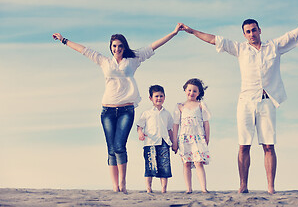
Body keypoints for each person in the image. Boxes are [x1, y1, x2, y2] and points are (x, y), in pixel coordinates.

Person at [180, 13, 298, 194]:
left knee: (269, 145)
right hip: (246, 101)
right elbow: (214, 39)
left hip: (267, 100)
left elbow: (295, 34)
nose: (251, 33)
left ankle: (271, 187)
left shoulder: (274, 47)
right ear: (244, 35)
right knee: (244, 145)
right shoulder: (240, 49)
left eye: (254, 30)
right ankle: (243, 185)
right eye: (247, 31)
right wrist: (191, 31)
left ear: (259, 30)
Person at [52, 23, 183, 193]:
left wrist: (173, 33)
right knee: (111, 149)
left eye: (120, 46)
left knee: (120, 146)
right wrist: (64, 40)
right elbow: (84, 50)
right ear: (111, 47)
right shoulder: (104, 61)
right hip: (107, 110)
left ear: (124, 47)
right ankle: (115, 186)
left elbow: (154, 45)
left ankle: (123, 183)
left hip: (126, 110)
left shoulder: (133, 59)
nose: (117, 49)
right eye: (114, 46)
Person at [172, 78, 211, 194]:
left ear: (199, 93)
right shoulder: (180, 106)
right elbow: (175, 125)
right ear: (185, 90)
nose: (191, 93)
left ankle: (203, 188)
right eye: (189, 90)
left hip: (198, 137)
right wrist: (175, 141)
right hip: (184, 138)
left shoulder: (201, 105)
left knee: (198, 162)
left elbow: (206, 123)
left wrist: (207, 138)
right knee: (186, 163)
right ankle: (189, 188)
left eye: (194, 91)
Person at [136, 85, 174, 193]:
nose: (159, 98)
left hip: (164, 142)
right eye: (156, 96)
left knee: (165, 166)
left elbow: (170, 129)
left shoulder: (167, 114)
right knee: (150, 166)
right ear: (151, 98)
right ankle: (149, 189)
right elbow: (139, 126)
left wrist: (174, 143)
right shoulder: (146, 113)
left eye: (161, 96)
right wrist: (140, 133)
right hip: (150, 143)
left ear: (164, 97)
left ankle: (163, 189)